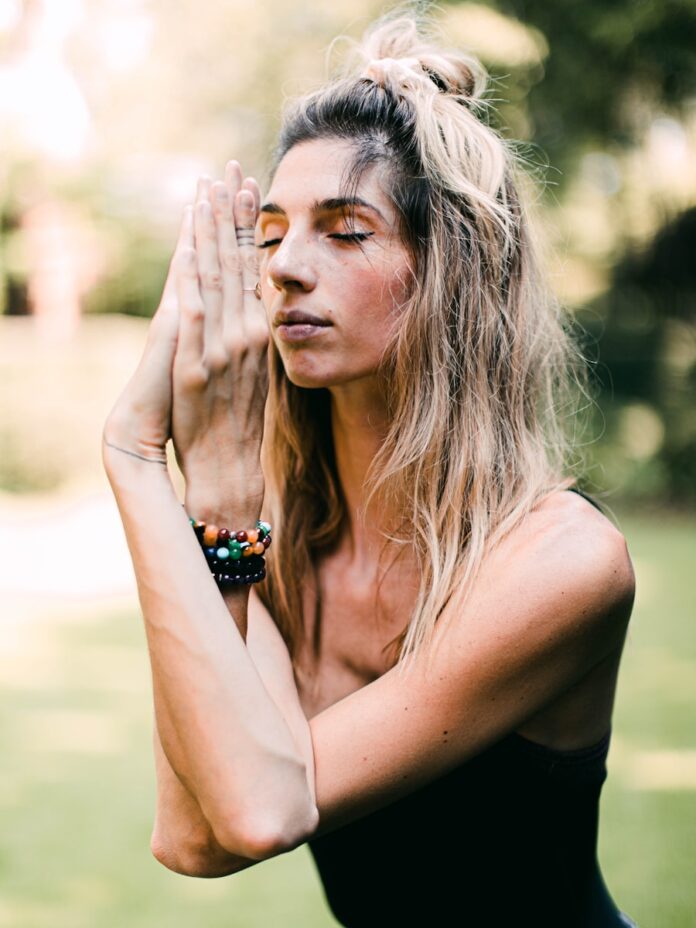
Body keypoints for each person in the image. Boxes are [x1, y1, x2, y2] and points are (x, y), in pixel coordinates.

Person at [101, 6, 639, 927]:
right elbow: (196, 837)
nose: (286, 269)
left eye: (346, 231)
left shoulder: (563, 564)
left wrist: (140, 464)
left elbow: (267, 810)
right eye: (270, 234)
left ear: (451, 274)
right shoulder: (273, 543)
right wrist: (220, 503)